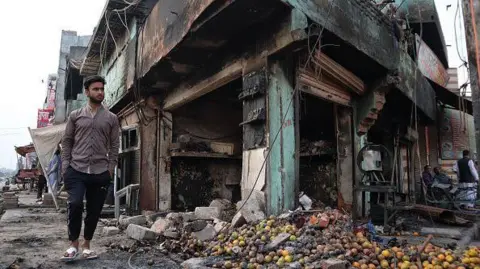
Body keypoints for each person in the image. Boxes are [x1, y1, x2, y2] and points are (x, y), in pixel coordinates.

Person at [61, 75, 120, 261]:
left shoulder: (111, 118)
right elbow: (67, 141)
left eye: (102, 89)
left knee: (94, 210)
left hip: (100, 171)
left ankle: (87, 245)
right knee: (75, 204)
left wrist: (110, 169)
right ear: (87, 92)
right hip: (76, 169)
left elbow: (114, 145)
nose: (100, 92)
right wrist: (65, 167)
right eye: (96, 89)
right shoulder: (75, 116)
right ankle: (73, 245)